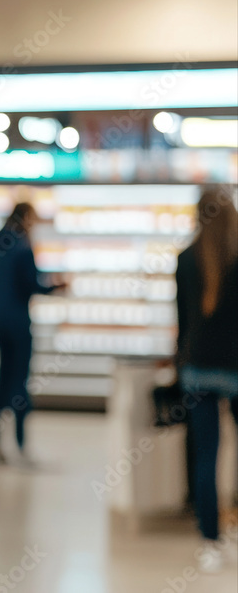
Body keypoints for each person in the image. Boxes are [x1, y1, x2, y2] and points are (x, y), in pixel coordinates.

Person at [175, 187, 238, 573]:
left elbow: (182, 323)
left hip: (197, 368)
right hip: (235, 368)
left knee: (206, 455)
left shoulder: (185, 260)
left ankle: (210, 538)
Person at [0, 202, 63, 463]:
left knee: (2, 379)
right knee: (20, 382)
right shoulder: (23, 247)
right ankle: (19, 444)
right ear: (26, 218)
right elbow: (32, 284)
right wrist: (57, 286)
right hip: (18, 323)